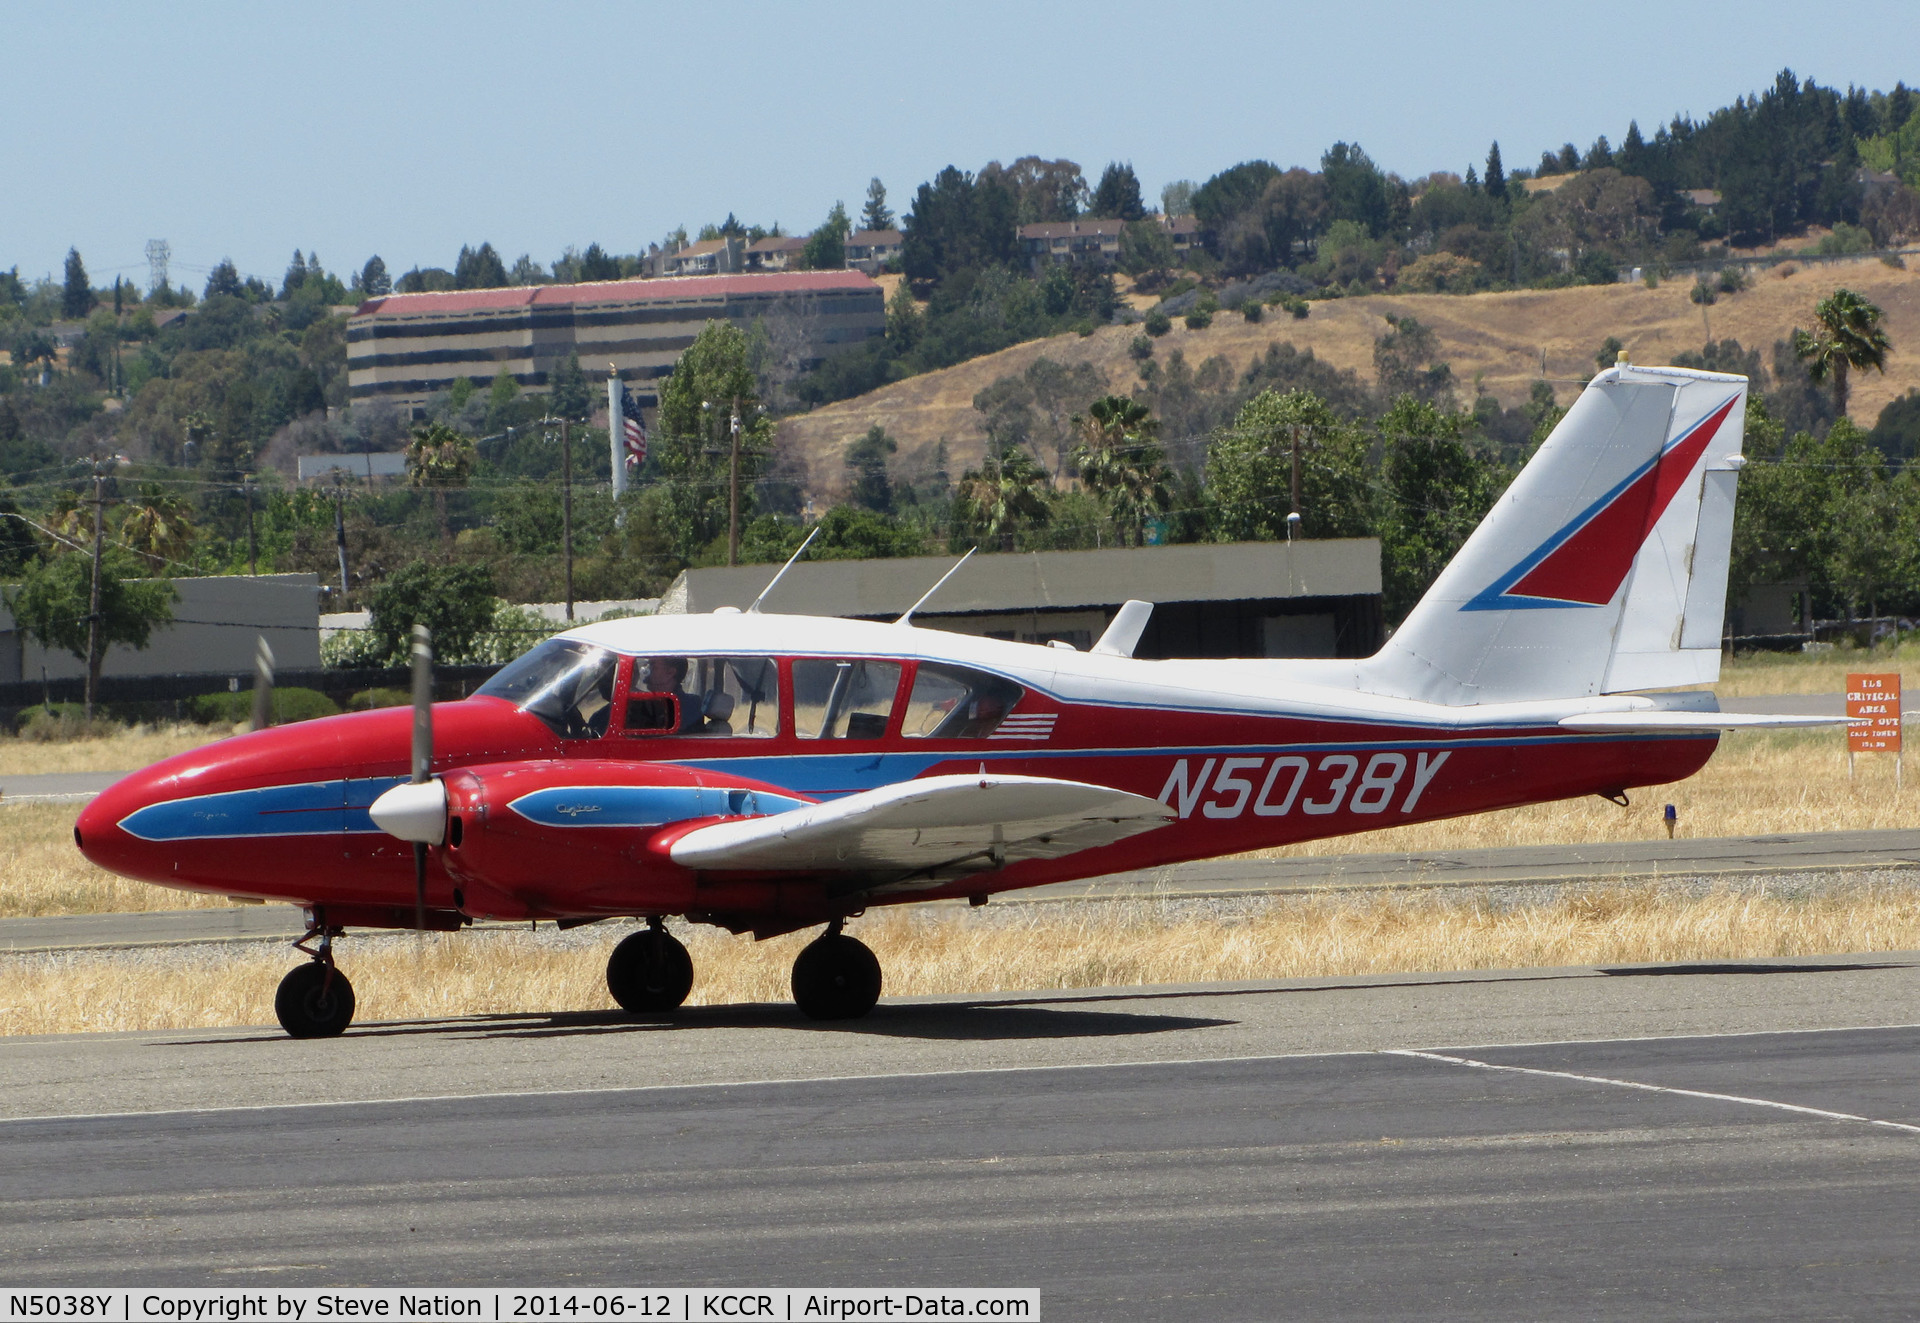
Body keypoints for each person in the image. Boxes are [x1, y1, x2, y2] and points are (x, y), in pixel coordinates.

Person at [638, 656, 705, 733]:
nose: (646, 670)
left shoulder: (690, 704)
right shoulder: (648, 701)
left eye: (653, 665)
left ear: (670, 672)